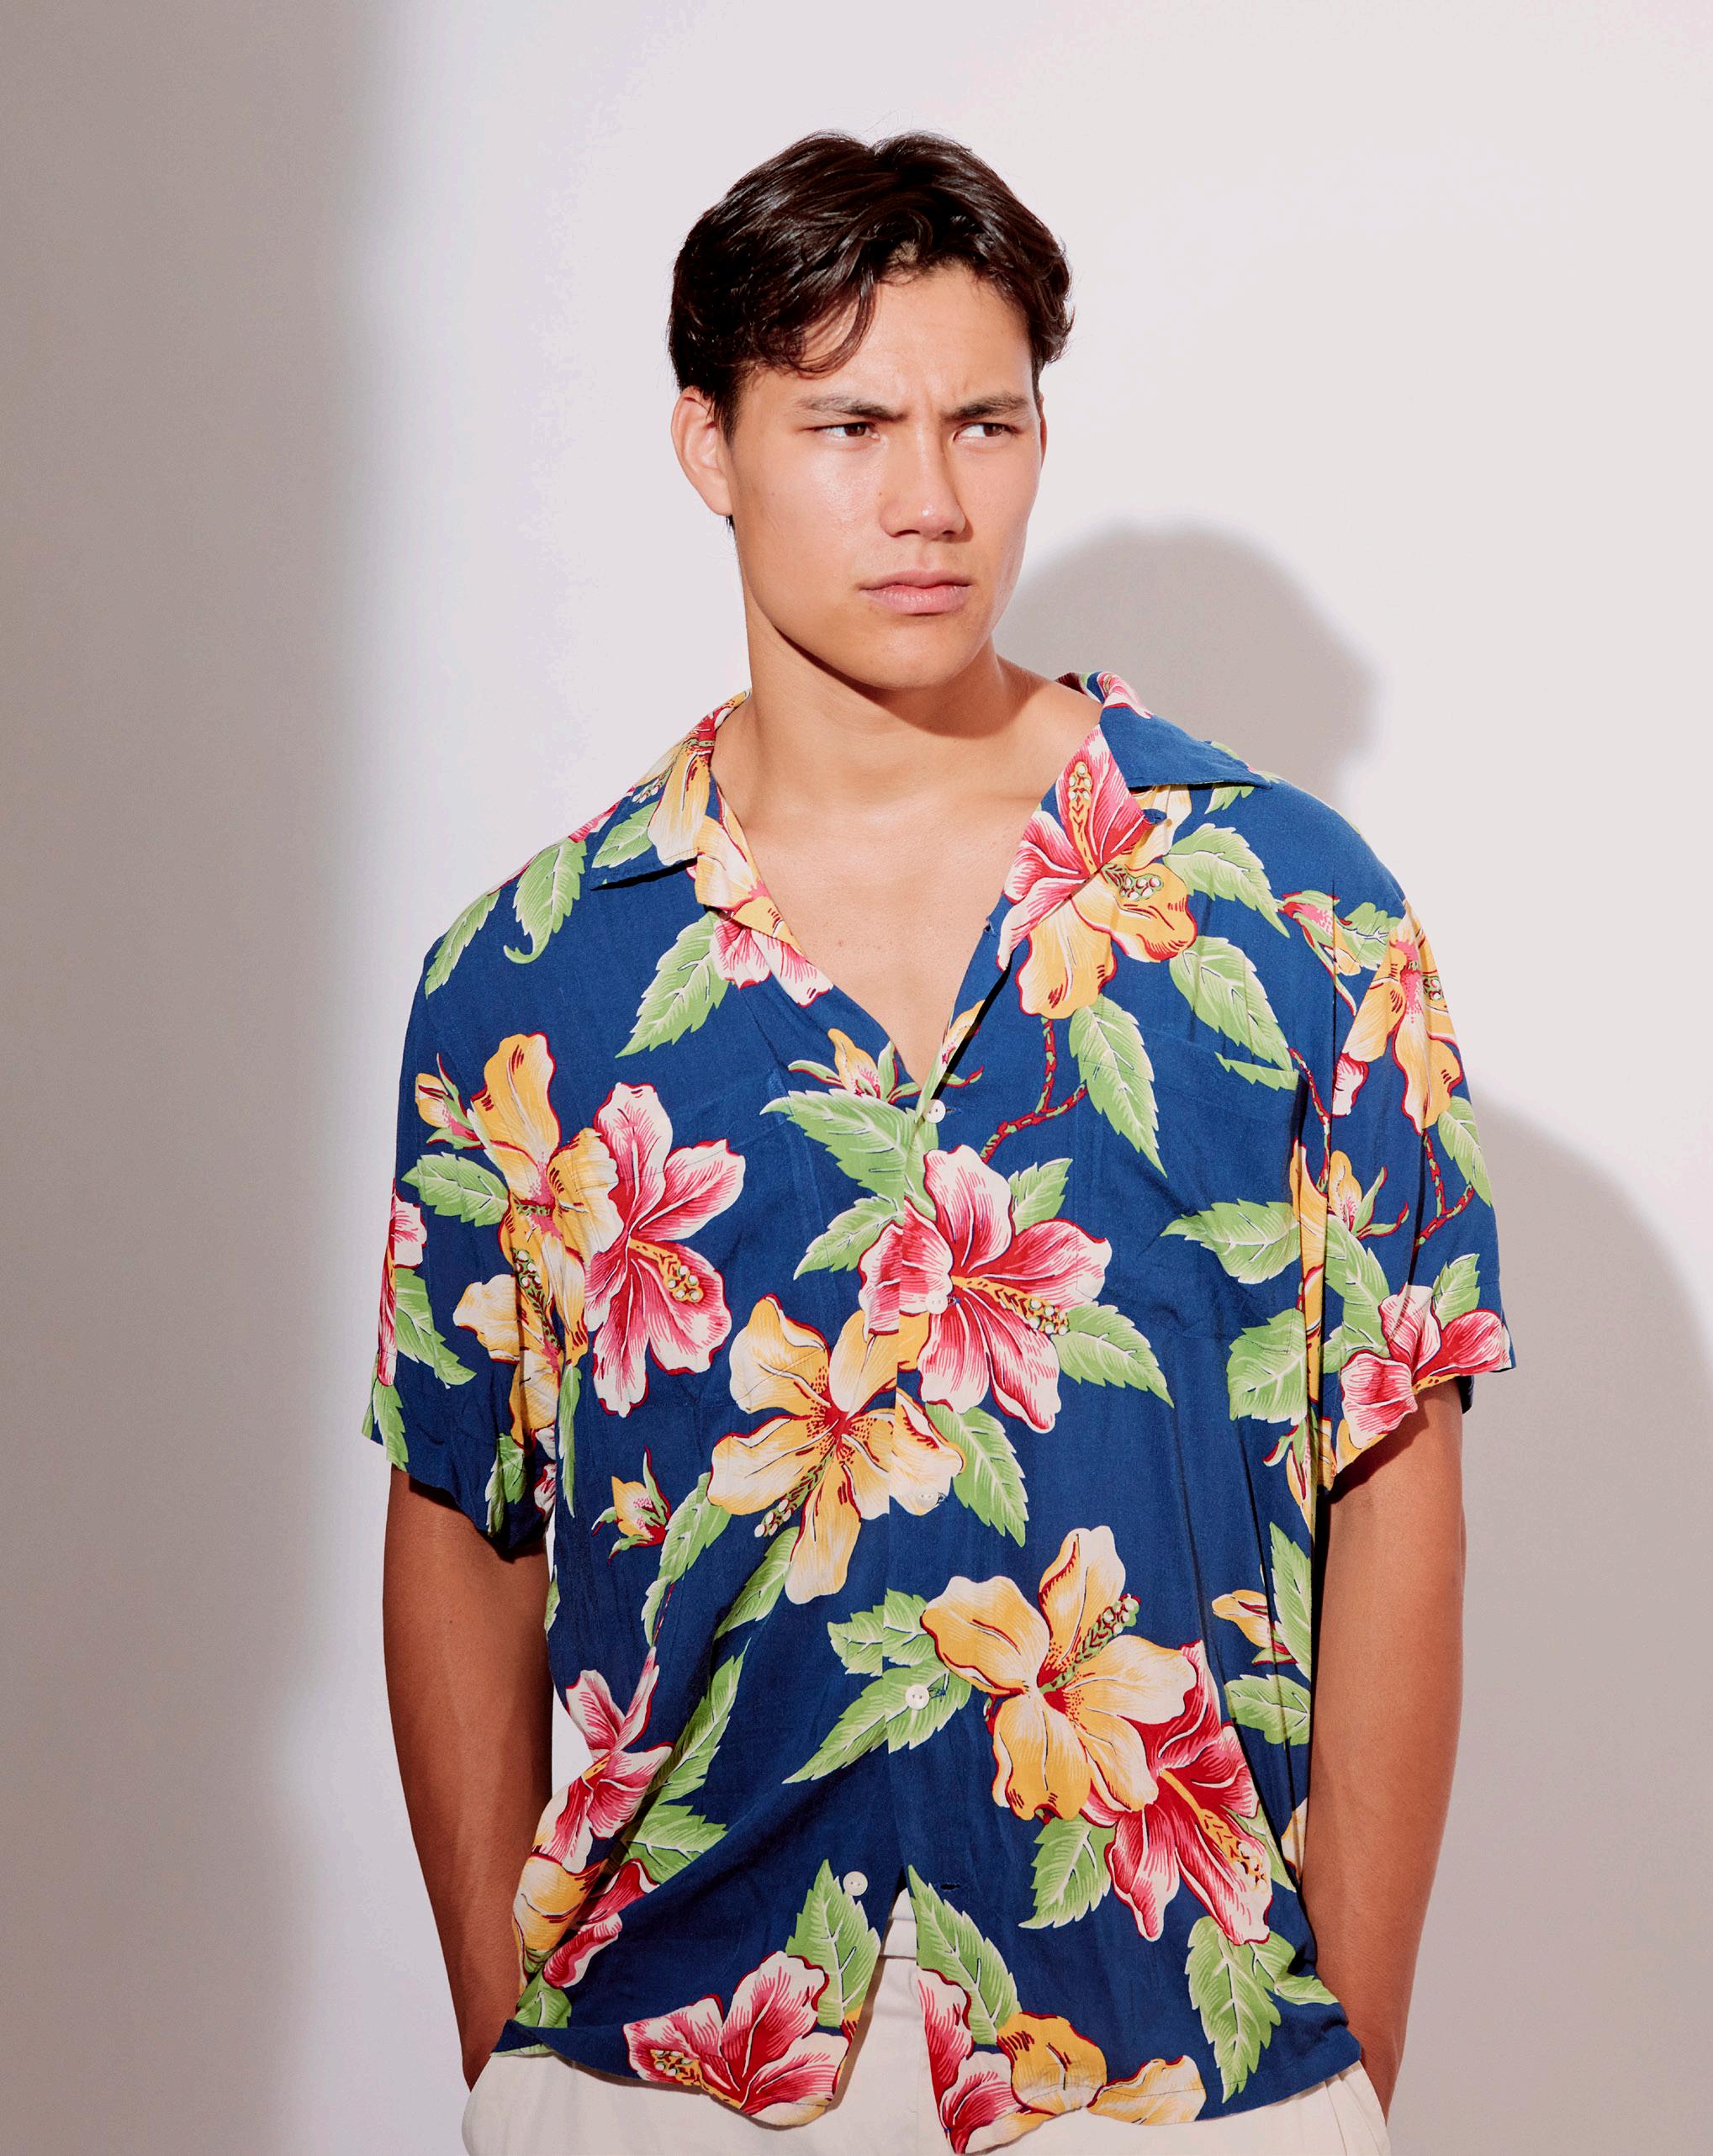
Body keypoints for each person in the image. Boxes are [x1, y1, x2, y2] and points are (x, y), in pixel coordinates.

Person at [362, 129, 1515, 2156]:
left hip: (1180, 2057)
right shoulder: (531, 974)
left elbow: (1394, 1468)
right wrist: (506, 2045)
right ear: (709, 447)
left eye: (987, 422)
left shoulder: (1292, 913)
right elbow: (462, 1503)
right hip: (663, 2058)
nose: (931, 500)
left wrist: (1344, 2044)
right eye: (849, 426)